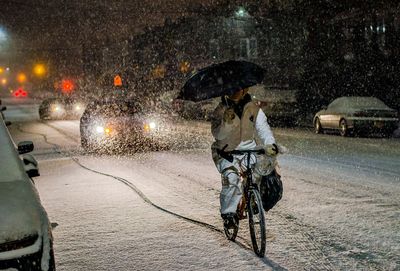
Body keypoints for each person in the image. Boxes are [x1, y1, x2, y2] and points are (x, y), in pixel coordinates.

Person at [210, 87, 278, 229]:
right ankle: (229, 214)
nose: (235, 92)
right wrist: (226, 123)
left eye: (239, 89)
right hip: (227, 152)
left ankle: (253, 201)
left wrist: (270, 144)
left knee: (258, 174)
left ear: (244, 90)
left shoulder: (254, 109)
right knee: (231, 179)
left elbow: (263, 129)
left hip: (249, 150)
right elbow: (218, 134)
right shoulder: (221, 110)